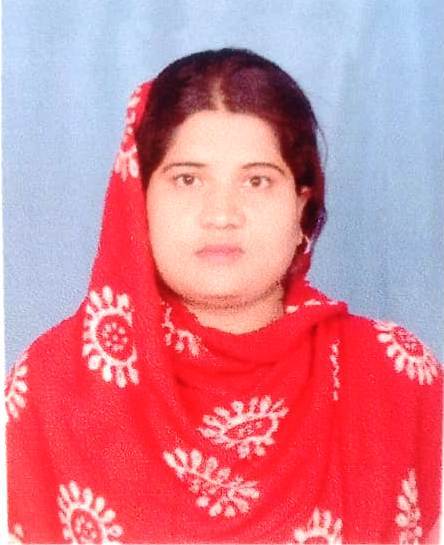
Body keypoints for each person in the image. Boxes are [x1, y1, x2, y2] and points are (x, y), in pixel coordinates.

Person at [6, 47, 442, 544]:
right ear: (138, 200)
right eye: (188, 179)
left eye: (256, 180)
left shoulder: (395, 381)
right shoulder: (51, 389)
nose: (221, 214)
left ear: (301, 209)